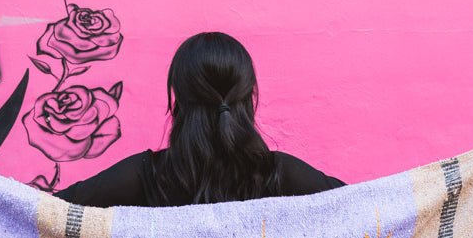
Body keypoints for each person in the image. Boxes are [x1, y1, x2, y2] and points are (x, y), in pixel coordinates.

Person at [56, 31, 342, 206]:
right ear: (248, 97)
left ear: (178, 99)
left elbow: (48, 212)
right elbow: (367, 209)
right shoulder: (280, 173)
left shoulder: (147, 176)